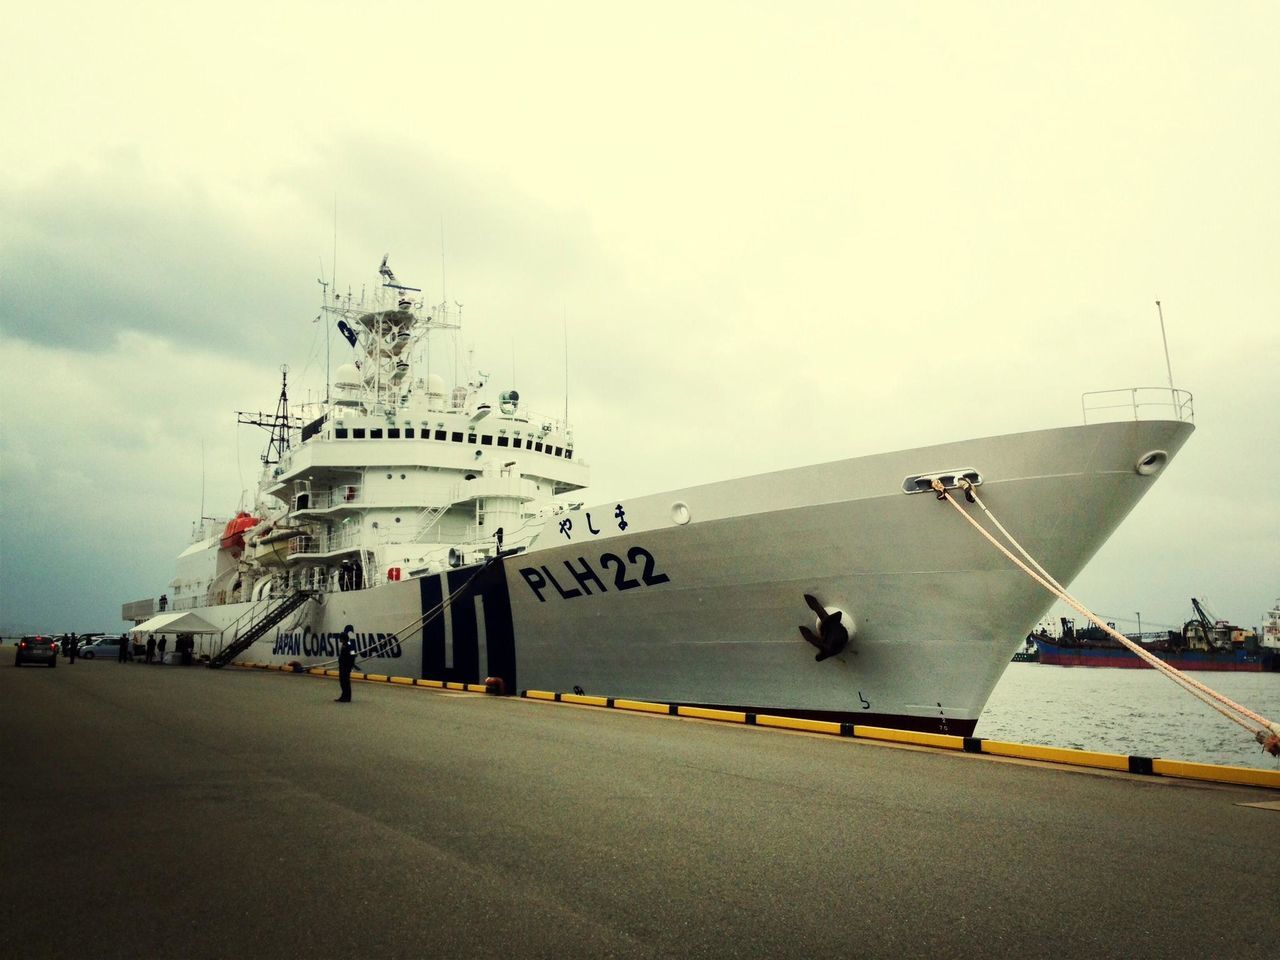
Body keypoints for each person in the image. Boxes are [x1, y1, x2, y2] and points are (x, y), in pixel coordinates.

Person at [335, 633, 358, 702]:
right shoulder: (345, 644)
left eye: (340, 638)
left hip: (346, 667)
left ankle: (347, 697)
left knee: (346, 682)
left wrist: (350, 665)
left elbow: (353, 655)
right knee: (342, 682)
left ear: (343, 638)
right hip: (343, 666)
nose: (339, 639)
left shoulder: (349, 645)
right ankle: (343, 696)